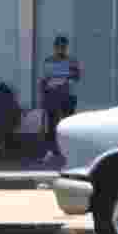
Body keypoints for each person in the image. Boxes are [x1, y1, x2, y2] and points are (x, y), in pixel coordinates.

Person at [40, 35, 80, 163]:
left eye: (63, 47)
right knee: (52, 125)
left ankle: (69, 151)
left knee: (68, 125)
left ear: (66, 48)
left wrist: (66, 79)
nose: (61, 49)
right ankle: (51, 151)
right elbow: (44, 81)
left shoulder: (71, 61)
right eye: (59, 47)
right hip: (52, 97)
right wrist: (44, 95)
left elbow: (77, 76)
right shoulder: (49, 61)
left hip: (67, 96)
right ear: (55, 47)